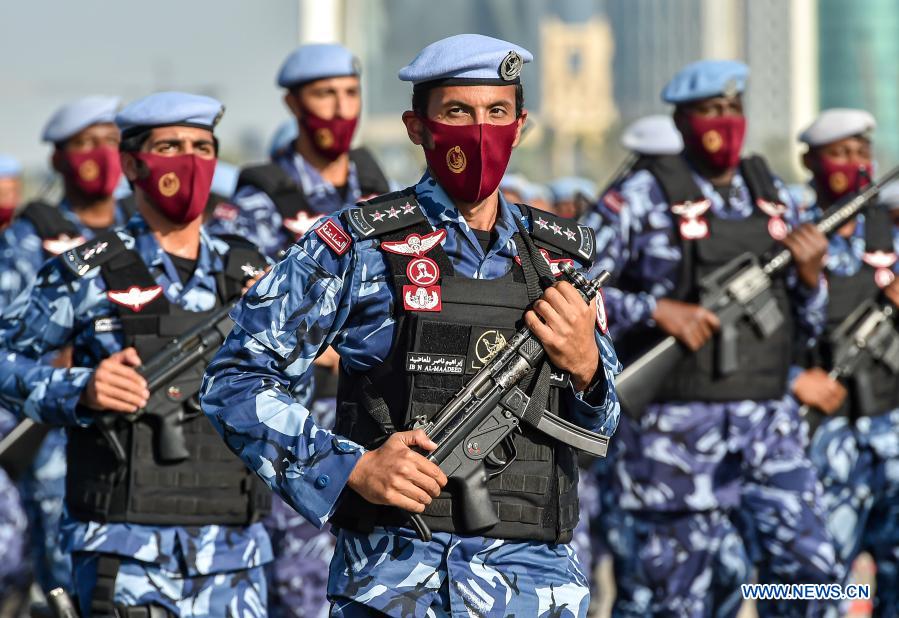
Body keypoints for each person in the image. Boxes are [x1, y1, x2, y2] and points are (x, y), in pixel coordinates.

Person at [201, 34, 620, 617]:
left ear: (520, 126)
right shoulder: (360, 247)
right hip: (399, 583)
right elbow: (234, 381)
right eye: (458, 112)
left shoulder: (559, 258)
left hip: (537, 589)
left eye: (497, 112)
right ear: (416, 127)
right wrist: (351, 467)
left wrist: (588, 369)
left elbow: (603, 423)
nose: (480, 131)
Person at [0, 91, 273, 616]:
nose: (189, 161)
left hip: (235, 557)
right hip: (127, 555)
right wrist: (80, 388)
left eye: (202, 147)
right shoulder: (87, 272)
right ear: (131, 165)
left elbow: (290, 390)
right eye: (170, 147)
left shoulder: (251, 273)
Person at [585, 60, 839, 617]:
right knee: (675, 601)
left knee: (815, 578)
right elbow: (572, 290)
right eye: (709, 110)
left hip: (768, 428)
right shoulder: (641, 197)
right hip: (674, 439)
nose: (724, 121)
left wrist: (810, 279)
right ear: (682, 121)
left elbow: (809, 327)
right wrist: (656, 310)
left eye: (732, 108)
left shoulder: (772, 196)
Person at [0, 97, 139, 598]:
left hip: (141, 433)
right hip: (58, 438)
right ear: (58, 159)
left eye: (110, 142)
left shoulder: (142, 233)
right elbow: (10, 345)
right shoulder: (28, 241)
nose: (100, 154)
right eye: (85, 143)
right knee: (73, 579)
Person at [795, 108, 899, 616]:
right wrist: (795, 380)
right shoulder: (794, 235)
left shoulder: (889, 230)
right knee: (818, 585)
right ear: (810, 162)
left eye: (862, 152)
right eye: (839, 153)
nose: (855, 163)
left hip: (891, 433)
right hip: (826, 435)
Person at [207, 42, 389, 259]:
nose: (342, 110)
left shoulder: (384, 191)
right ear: (293, 103)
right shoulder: (258, 203)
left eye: (351, 93)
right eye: (326, 94)